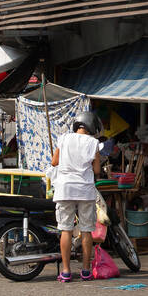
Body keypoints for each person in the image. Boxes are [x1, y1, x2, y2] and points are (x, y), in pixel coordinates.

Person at [51, 110, 102, 282]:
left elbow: (54, 162)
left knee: (66, 229)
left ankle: (65, 271)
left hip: (64, 189)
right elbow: (96, 170)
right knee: (86, 230)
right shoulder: (93, 143)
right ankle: (86, 271)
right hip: (85, 190)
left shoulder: (64, 138)